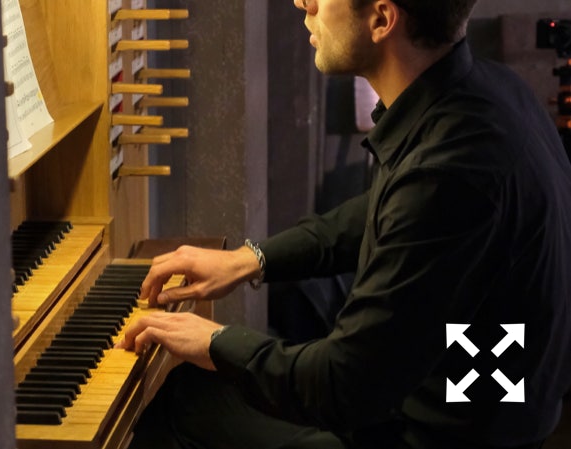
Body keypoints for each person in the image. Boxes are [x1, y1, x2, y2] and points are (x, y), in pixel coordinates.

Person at [116, 0, 571, 448]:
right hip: (461, 396)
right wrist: (249, 260)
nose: (304, 3)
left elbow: (342, 388)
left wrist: (215, 341)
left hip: (443, 432)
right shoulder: (488, 92)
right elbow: (386, 212)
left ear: (381, 19)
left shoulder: (449, 173)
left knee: (181, 406)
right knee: (228, 372)